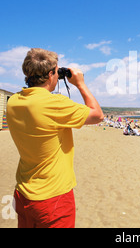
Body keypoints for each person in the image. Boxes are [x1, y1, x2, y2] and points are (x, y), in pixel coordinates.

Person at [7, 48, 104, 228]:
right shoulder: (54, 104)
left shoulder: (13, 101)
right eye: (57, 71)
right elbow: (98, 115)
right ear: (52, 74)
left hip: (23, 192)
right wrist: (80, 84)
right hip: (53, 197)